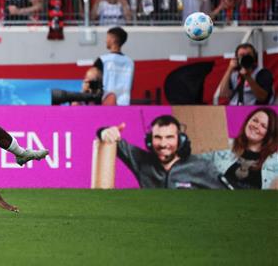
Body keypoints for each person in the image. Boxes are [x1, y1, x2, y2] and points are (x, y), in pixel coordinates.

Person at [97, 115, 226, 189]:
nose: (163, 144)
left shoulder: (201, 166)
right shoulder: (142, 161)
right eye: (158, 138)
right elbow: (110, 137)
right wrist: (105, 132)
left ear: (180, 140)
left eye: (169, 137)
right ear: (149, 141)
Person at [201, 108, 278, 190]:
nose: (256, 126)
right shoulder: (223, 142)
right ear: (247, 122)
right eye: (255, 120)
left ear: (270, 133)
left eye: (263, 126)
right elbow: (198, 164)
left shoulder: (275, 161)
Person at [93, 27, 134, 106]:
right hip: (124, 105)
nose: (105, 41)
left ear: (113, 39)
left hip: (105, 105)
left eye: (107, 37)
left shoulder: (102, 60)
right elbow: (131, 85)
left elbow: (94, 83)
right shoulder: (130, 62)